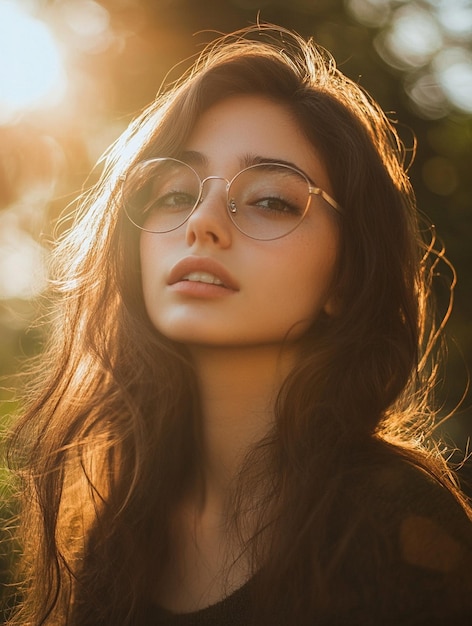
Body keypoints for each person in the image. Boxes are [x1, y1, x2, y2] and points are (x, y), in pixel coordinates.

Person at [6, 23, 472, 626]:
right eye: (174, 193)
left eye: (271, 200)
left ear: (346, 277)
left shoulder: (399, 526)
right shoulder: (108, 526)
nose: (202, 222)